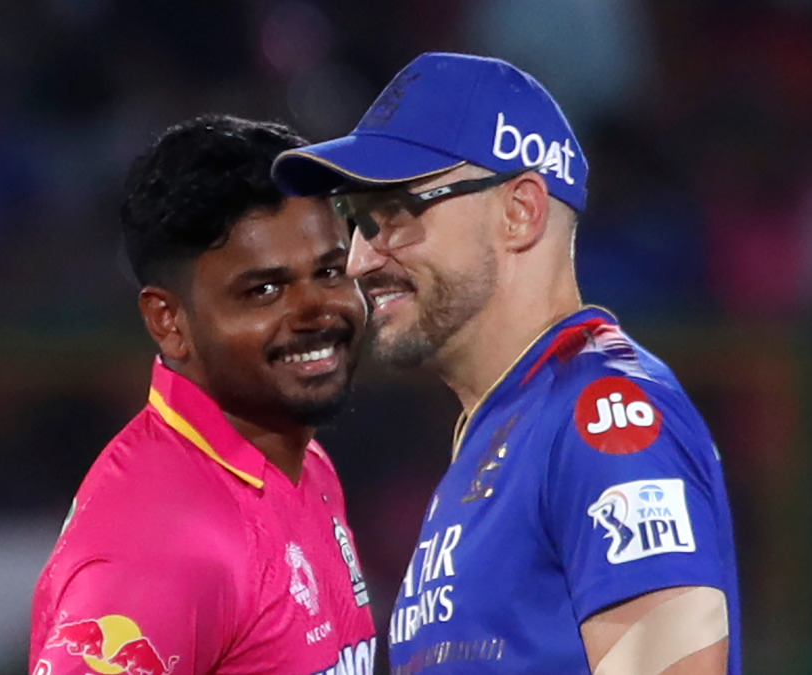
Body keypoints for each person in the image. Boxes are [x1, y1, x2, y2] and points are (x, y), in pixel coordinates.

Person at [272, 52, 741, 675]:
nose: (359, 260)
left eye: (397, 213)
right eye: (356, 221)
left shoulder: (602, 415)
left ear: (520, 211)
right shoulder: (508, 429)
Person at [29, 115, 377, 675]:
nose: (318, 310)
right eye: (264, 290)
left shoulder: (302, 464)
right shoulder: (163, 548)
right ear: (169, 322)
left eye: (331, 271)